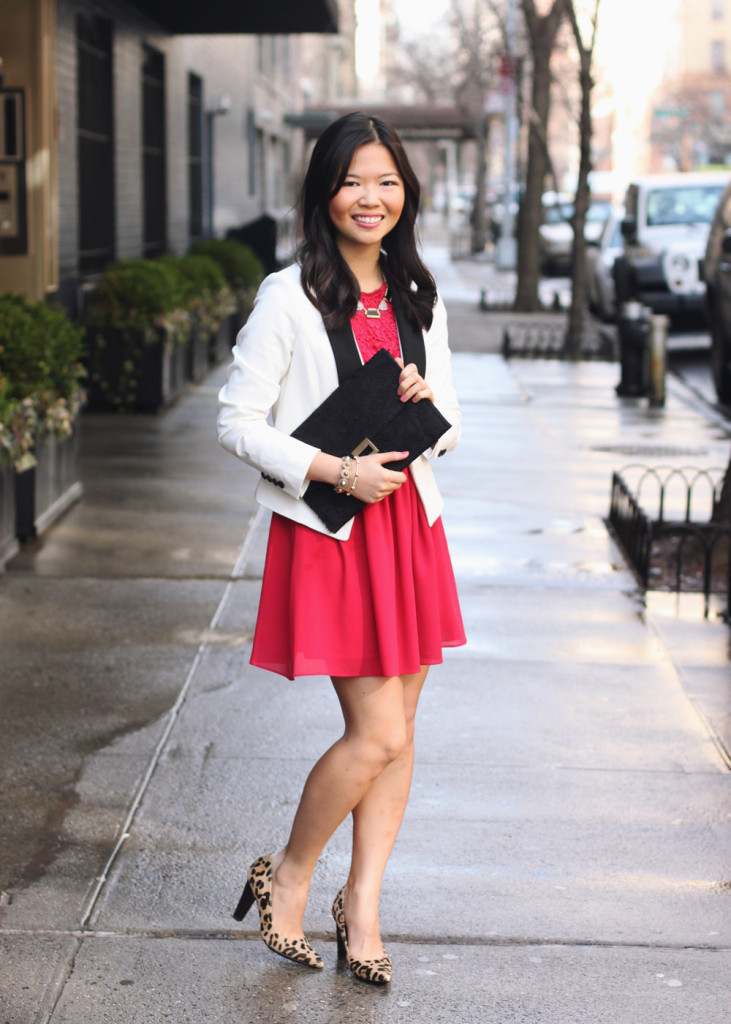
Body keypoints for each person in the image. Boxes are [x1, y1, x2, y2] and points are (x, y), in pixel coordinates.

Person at [217, 111, 466, 986]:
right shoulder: (287, 296)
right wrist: (331, 468)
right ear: (325, 190)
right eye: (354, 180)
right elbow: (236, 421)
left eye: (387, 181)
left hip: (408, 530)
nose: (372, 198)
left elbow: (451, 425)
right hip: (336, 532)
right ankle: (288, 875)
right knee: (378, 731)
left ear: (407, 192)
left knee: (400, 738)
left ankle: (361, 908)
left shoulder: (415, 296)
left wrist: (428, 402)